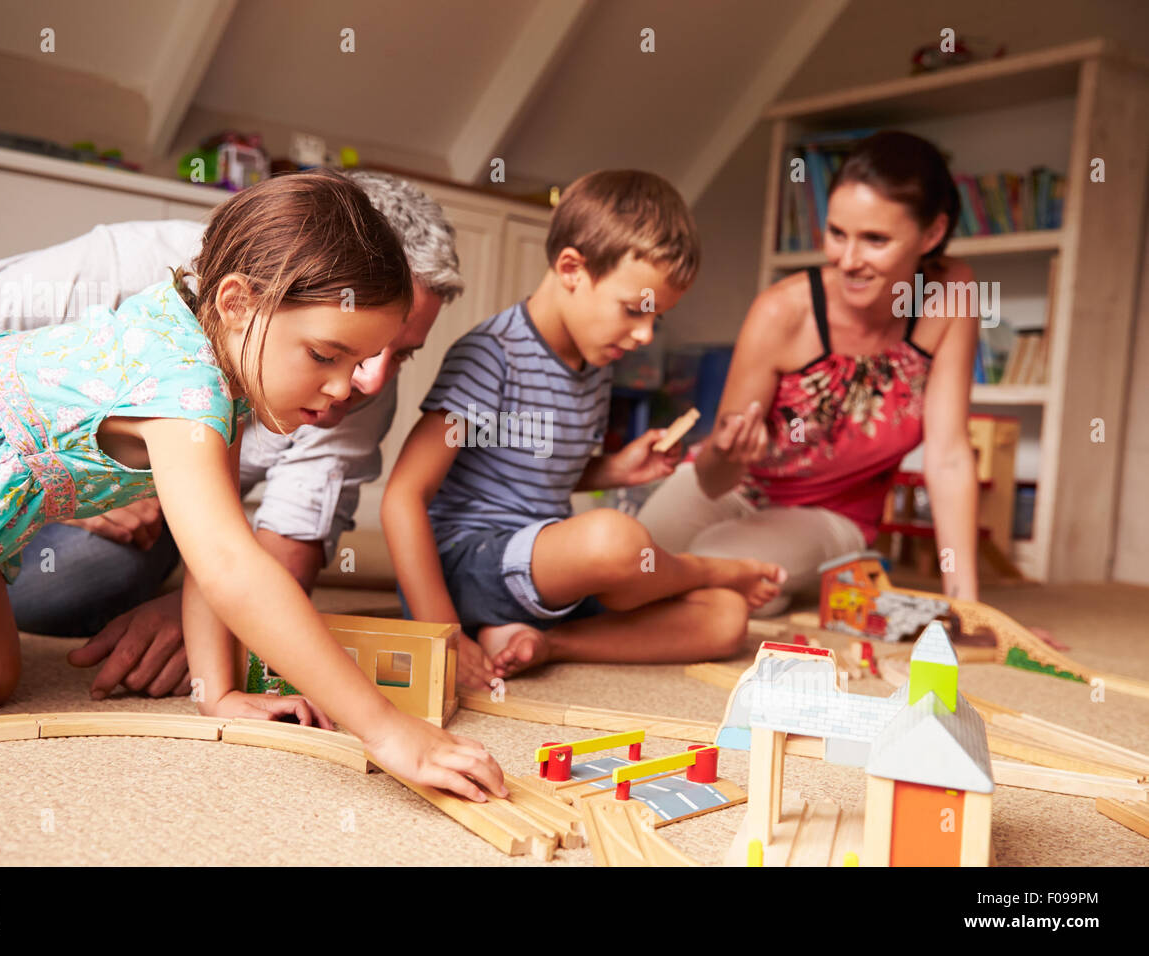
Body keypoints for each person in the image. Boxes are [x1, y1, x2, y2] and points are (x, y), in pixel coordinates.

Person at [0, 170, 504, 801]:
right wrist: (386, 731)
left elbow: (209, 553)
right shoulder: (187, 386)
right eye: (325, 355)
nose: (345, 389)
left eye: (357, 363)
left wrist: (215, 694)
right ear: (237, 303)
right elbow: (229, 567)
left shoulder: (221, 358)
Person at [382, 170, 786, 686]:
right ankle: (710, 566)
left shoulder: (595, 367)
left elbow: (533, 473)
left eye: (655, 319)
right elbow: (403, 496)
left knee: (726, 619)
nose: (643, 335)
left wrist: (614, 470)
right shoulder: (492, 355)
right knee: (616, 543)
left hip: (544, 573)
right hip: (470, 563)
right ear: (571, 268)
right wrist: (443, 633)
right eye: (633, 311)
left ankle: (542, 642)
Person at [638, 130, 980, 614]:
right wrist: (728, 450)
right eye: (838, 234)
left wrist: (965, 607)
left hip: (830, 515)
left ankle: (785, 579)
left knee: (714, 570)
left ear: (931, 234)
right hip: (736, 486)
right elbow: (715, 479)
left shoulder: (953, 293)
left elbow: (948, 457)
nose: (848, 260)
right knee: (631, 566)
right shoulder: (782, 312)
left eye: (875, 239)